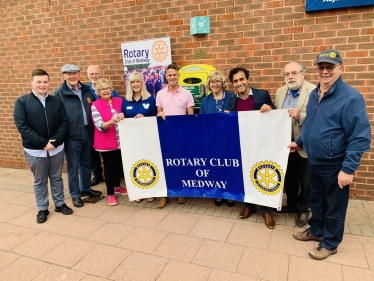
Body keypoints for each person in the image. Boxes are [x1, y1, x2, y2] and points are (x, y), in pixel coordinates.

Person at [289, 50, 371, 260]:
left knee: (334, 206)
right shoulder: (315, 93)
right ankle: (317, 230)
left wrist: (348, 169)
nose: (324, 71)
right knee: (316, 201)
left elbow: (360, 137)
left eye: (330, 67)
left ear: (340, 69)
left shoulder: (350, 98)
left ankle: (331, 243)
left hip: (335, 164)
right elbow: (310, 125)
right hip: (314, 161)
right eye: (321, 67)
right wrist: (300, 143)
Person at [14, 69, 73, 223]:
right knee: (40, 180)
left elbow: (64, 122)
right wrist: (42, 143)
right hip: (35, 151)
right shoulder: (22, 102)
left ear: (49, 82)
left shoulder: (56, 101)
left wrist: (55, 141)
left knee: (56, 178)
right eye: (39, 82)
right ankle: (42, 208)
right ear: (31, 83)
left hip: (56, 148)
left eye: (45, 82)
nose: (42, 85)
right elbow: (22, 126)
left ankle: (59, 204)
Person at [227, 66, 275, 229]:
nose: (239, 83)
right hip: (243, 144)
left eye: (241, 79)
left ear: (247, 79)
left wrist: (270, 108)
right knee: (246, 175)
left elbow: (275, 113)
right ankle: (249, 206)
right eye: (235, 81)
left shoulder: (262, 94)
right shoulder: (233, 100)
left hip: (262, 143)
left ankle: (267, 211)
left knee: (263, 173)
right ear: (233, 84)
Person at [54, 64, 102, 208]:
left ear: (79, 74)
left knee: (86, 163)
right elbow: (56, 116)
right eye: (68, 74)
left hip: (87, 132)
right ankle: (75, 194)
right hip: (71, 136)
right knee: (73, 167)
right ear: (64, 76)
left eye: (74, 73)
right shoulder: (59, 93)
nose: (72, 76)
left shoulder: (87, 90)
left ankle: (85, 189)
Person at [274, 61, 316, 227]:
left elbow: (317, 116)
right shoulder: (280, 92)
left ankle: (304, 210)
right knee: (289, 178)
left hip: (305, 145)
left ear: (302, 74)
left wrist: (301, 115)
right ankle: (292, 205)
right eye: (287, 74)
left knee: (306, 181)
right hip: (286, 145)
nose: (290, 77)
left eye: (294, 73)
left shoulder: (314, 90)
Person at [156, 64, 195, 208]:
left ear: (179, 75)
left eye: (174, 75)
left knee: (180, 163)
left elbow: (190, 116)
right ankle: (165, 195)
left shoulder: (186, 94)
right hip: (165, 135)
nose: (172, 77)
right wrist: (159, 114)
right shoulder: (160, 94)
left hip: (181, 135)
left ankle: (180, 191)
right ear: (166, 77)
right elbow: (158, 113)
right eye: (169, 75)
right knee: (165, 164)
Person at [199, 70, 234, 207]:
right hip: (212, 140)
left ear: (222, 83)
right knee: (216, 166)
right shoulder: (205, 100)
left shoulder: (232, 97)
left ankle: (230, 194)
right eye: (212, 81)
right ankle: (219, 194)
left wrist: (231, 114)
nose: (215, 84)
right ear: (209, 84)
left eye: (218, 81)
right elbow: (201, 120)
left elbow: (237, 116)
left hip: (229, 139)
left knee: (229, 166)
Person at [122, 72, 157, 203]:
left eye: (138, 82)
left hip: (147, 139)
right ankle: (137, 191)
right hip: (132, 141)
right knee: (134, 164)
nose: (135, 84)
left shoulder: (150, 99)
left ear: (142, 83)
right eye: (132, 82)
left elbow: (155, 118)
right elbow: (123, 117)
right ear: (129, 85)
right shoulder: (126, 100)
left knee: (148, 163)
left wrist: (145, 119)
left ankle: (150, 190)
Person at [91, 78, 127, 206]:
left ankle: (117, 186)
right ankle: (110, 193)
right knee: (109, 167)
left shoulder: (119, 101)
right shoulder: (95, 105)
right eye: (102, 89)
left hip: (120, 140)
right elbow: (99, 125)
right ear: (98, 92)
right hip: (106, 142)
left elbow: (126, 114)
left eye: (107, 88)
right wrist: (112, 121)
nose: (105, 91)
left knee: (117, 165)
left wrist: (125, 115)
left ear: (111, 90)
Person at [87, 65, 120, 187]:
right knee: (99, 159)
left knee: (115, 163)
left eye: (96, 74)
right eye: (91, 74)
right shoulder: (86, 90)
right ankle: (98, 176)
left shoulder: (116, 97)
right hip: (97, 129)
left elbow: (120, 109)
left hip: (116, 135)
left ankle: (116, 185)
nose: (94, 76)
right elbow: (99, 123)